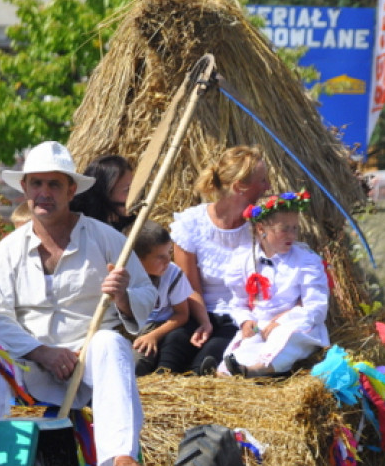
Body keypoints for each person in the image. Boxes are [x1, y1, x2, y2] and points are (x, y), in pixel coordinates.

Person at [0, 141, 155, 466]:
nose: (44, 193)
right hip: (28, 362)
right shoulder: (8, 250)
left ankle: (120, 456)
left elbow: (147, 295)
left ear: (71, 189)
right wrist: (42, 352)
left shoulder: (105, 238)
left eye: (54, 184)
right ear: (25, 189)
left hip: (89, 361)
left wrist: (122, 297)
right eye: (37, 184)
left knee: (110, 343)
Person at [163, 145, 272, 374]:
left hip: (238, 318)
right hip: (198, 311)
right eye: (262, 181)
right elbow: (189, 287)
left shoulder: (261, 228)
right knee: (172, 349)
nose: (268, 187)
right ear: (239, 186)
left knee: (206, 362)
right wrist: (204, 322)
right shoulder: (191, 223)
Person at [221, 191, 328, 377]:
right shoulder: (245, 260)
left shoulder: (305, 261)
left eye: (295, 228)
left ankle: (258, 371)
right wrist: (246, 321)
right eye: (284, 229)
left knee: (284, 339)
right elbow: (238, 302)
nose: (292, 235)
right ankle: (231, 372)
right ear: (261, 229)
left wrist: (281, 321)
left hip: (297, 325)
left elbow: (316, 308)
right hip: (261, 327)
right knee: (242, 350)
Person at [130, 221, 206, 376]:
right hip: (127, 327)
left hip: (156, 327)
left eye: (168, 253)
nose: (167, 261)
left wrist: (153, 336)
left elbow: (182, 314)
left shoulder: (172, 274)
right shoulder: (123, 275)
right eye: (160, 257)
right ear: (137, 259)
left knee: (136, 366)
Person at [69, 154, 135, 231]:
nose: (133, 195)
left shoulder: (135, 229)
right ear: (106, 192)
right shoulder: (79, 229)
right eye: (127, 190)